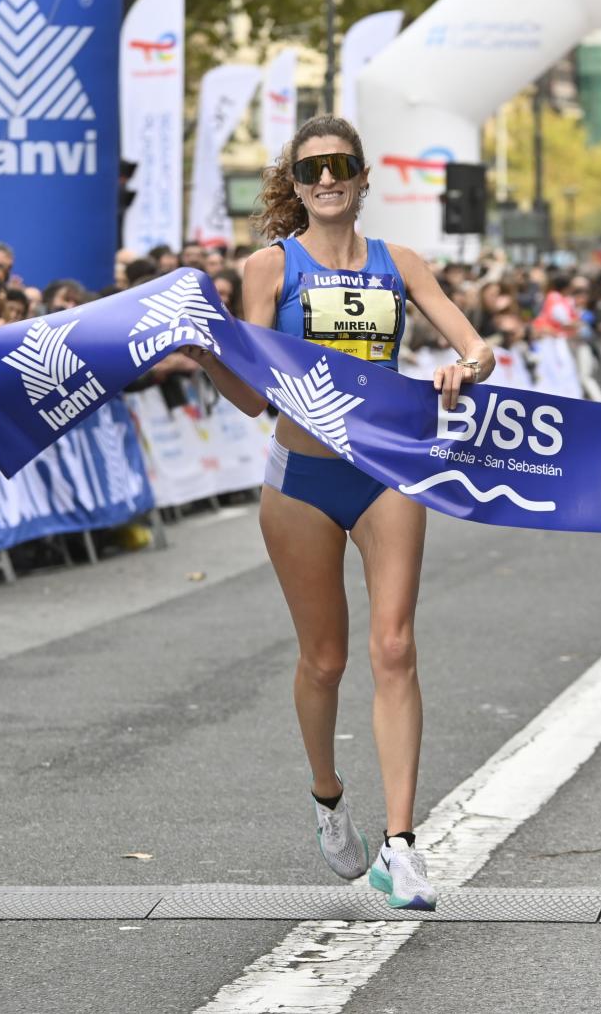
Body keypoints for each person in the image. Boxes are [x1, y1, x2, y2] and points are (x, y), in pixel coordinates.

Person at [184, 115, 494, 911]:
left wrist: (465, 367)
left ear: (362, 180)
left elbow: (479, 348)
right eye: (312, 168)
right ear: (295, 181)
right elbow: (254, 396)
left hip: (389, 472)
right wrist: (206, 358)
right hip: (302, 482)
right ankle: (328, 798)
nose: (328, 179)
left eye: (342, 166)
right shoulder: (268, 267)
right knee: (326, 660)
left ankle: (401, 847)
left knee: (395, 646)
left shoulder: (402, 264)